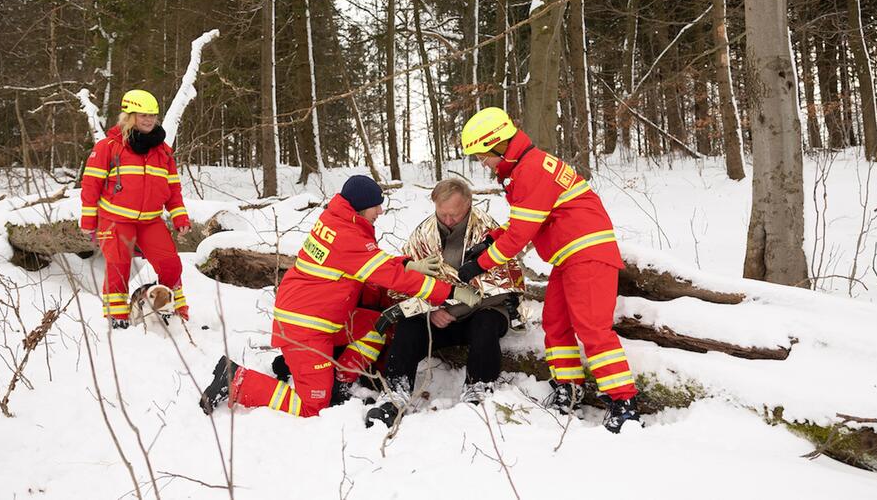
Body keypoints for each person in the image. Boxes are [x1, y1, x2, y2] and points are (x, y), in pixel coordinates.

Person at [199, 175, 483, 418]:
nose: (381, 211)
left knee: (379, 324)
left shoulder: (339, 221)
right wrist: (451, 291)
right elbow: (384, 273)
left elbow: (371, 262)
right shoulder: (346, 235)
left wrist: (407, 264)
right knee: (313, 405)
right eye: (376, 206)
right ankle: (237, 380)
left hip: (323, 319)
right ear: (360, 208)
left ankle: (341, 380)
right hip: (306, 328)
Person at [457, 107, 640, 433]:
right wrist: (487, 242)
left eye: (482, 156)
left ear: (497, 144)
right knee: (556, 325)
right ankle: (568, 388)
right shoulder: (525, 167)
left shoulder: (531, 170)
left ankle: (623, 403)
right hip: (569, 257)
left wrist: (479, 265)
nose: (483, 163)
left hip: (587, 255)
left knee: (593, 330)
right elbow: (524, 222)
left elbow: (519, 237)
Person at [365, 179, 525, 427]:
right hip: (436, 315)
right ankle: (395, 394)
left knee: (486, 324)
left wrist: (454, 309)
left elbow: (504, 287)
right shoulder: (423, 234)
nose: (448, 220)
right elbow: (405, 284)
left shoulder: (488, 231)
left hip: (481, 311)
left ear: (469, 204)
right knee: (408, 328)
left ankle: (478, 391)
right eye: (443, 214)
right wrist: (431, 312)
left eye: (455, 214)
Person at [80, 89, 191, 329]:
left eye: (153, 115)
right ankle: (117, 317)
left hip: (150, 221)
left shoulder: (163, 151)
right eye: (143, 115)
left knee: (171, 263)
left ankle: (169, 306)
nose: (149, 120)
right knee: (118, 266)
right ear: (129, 116)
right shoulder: (108, 147)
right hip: (115, 219)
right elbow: (90, 187)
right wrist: (89, 222)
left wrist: (179, 215)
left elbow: (173, 188)